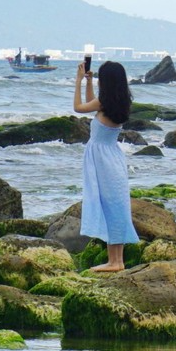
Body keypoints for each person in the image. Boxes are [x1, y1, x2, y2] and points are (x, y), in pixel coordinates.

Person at [73, 59, 138, 270]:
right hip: (112, 158)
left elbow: (79, 107)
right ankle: (116, 260)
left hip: (102, 160)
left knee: (110, 205)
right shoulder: (117, 102)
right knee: (115, 205)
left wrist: (78, 81)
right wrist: (89, 83)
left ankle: (114, 261)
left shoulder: (104, 103)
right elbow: (93, 103)